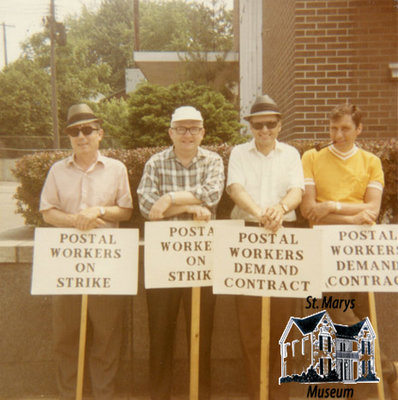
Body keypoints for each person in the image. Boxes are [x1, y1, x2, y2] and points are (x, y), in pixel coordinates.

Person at [301, 103, 397, 399]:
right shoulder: (312, 158)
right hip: (322, 248)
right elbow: (308, 209)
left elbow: (374, 208)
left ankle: (371, 382)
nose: (338, 134)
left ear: (359, 129)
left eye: (345, 129)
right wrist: (352, 216)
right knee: (335, 314)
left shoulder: (371, 162)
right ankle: (387, 370)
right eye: (333, 128)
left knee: (361, 315)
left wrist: (332, 206)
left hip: (358, 250)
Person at [39, 103, 133, 400]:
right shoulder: (57, 171)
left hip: (106, 265)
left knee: (106, 335)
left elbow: (126, 211)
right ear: (69, 137)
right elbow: (47, 212)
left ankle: (103, 395)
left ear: (100, 134)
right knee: (66, 335)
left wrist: (99, 211)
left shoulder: (116, 169)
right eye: (74, 131)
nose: (81, 136)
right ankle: (71, 394)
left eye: (88, 130)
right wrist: (74, 220)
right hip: (67, 265)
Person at [137, 105, 225, 400]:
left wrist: (170, 198)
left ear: (203, 133)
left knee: (201, 331)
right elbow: (149, 207)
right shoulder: (156, 162)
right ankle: (159, 394)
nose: (187, 135)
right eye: (181, 129)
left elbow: (212, 195)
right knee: (160, 331)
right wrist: (189, 206)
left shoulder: (212, 161)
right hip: (164, 259)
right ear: (171, 133)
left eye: (194, 129)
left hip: (201, 258)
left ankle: (200, 394)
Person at [226, 95, 304, 400]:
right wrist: (261, 213)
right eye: (259, 125)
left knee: (283, 320)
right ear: (251, 126)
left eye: (271, 124)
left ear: (280, 125)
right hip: (249, 233)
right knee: (249, 323)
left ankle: (278, 392)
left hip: (283, 234)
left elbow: (297, 190)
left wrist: (280, 210)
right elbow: (235, 188)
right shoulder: (239, 153)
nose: (265, 130)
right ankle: (255, 392)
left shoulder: (291, 154)